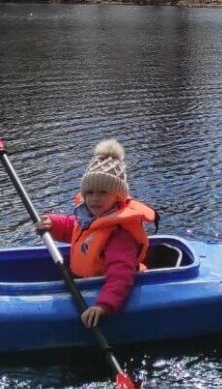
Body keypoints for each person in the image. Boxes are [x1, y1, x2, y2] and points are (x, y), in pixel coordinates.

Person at [36, 139, 156, 328]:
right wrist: (53, 223)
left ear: (117, 197)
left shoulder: (119, 235)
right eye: (89, 192)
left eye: (102, 193)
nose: (94, 198)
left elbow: (120, 275)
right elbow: (73, 229)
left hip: (106, 289)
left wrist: (104, 306)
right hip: (85, 282)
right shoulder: (89, 217)